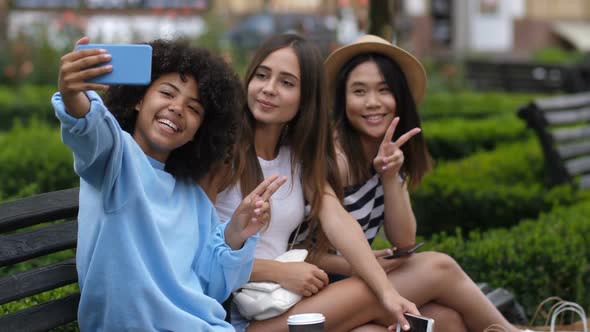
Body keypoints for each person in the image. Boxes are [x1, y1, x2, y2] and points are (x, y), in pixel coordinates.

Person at [52, 36, 286, 331]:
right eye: (167, 93)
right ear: (138, 99)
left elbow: (209, 288)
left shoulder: (192, 196)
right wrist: (72, 94)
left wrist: (235, 234)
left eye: (194, 108)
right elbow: (88, 128)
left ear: (199, 131)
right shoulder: (114, 158)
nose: (177, 108)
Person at [213, 33, 422, 332]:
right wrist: (279, 271)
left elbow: (336, 217)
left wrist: (386, 291)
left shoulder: (297, 156)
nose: (268, 89)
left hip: (283, 301)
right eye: (262, 75)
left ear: (306, 97)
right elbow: (197, 251)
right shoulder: (222, 151)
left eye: (286, 82)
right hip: (237, 313)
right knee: (415, 275)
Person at [322, 34, 527, 332]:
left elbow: (404, 241)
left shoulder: (387, 150)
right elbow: (303, 249)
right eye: (359, 91)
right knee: (439, 266)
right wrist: (360, 264)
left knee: (448, 321)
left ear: (399, 98)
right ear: (343, 99)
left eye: (384, 90)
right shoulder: (334, 158)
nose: (372, 103)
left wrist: (390, 177)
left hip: (358, 283)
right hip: (321, 291)